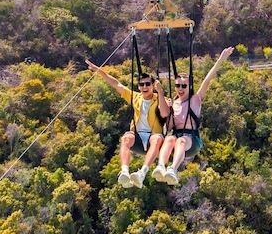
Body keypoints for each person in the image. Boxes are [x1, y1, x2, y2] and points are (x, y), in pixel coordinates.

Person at [152, 46, 234, 185]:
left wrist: (221, 59)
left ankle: (172, 169)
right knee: (170, 139)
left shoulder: (195, 99)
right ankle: (161, 166)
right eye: (178, 86)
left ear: (189, 87)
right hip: (176, 139)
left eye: (184, 86)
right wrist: (166, 103)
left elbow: (207, 80)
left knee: (181, 140)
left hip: (192, 141)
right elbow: (169, 125)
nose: (180, 89)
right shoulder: (174, 103)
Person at [86, 59, 170, 188]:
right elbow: (116, 84)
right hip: (138, 138)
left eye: (148, 84)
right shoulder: (135, 97)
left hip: (154, 138)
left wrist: (160, 93)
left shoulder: (160, 99)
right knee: (126, 137)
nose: (145, 87)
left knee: (157, 138)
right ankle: (124, 171)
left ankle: (142, 172)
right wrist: (98, 70)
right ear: (139, 87)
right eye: (142, 85)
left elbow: (165, 114)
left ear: (153, 85)